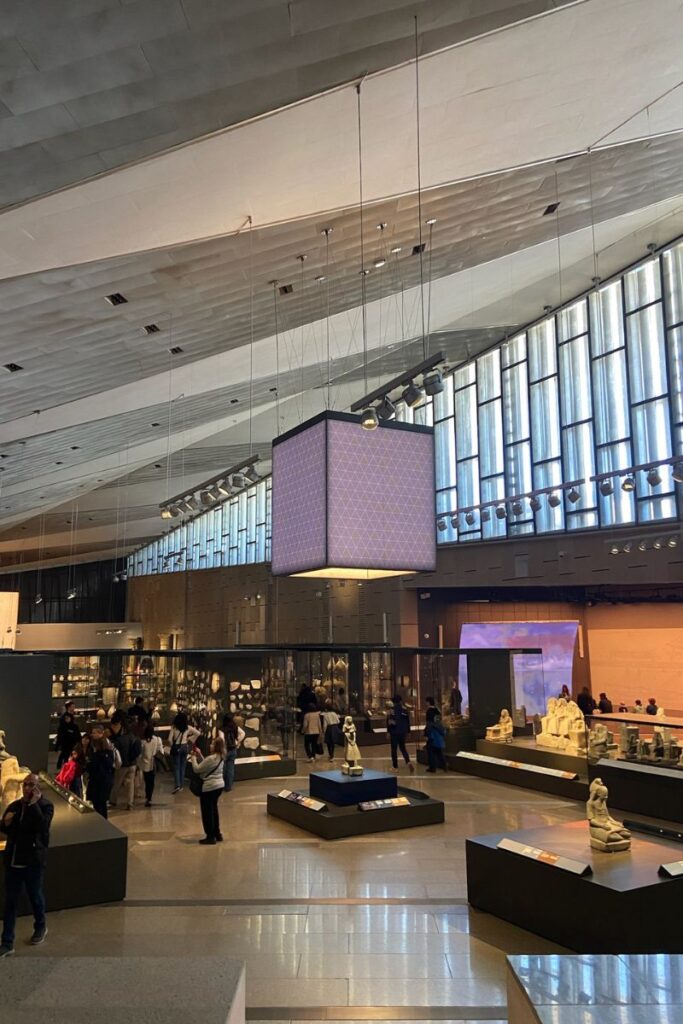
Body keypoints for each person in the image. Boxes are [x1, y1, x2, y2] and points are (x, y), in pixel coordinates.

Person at [0, 773, 54, 956]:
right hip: (14, 861)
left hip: (32, 862)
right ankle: (7, 942)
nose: (28, 788)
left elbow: (43, 827)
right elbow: (6, 828)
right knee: (10, 902)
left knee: (35, 897)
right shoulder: (15, 806)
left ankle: (40, 926)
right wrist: (5, 823)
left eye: (32, 785)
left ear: (38, 788)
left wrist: (33, 806)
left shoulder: (45, 806)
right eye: (26, 784)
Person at [190, 737, 226, 845]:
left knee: (207, 813)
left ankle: (210, 836)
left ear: (216, 746)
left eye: (212, 744)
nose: (210, 745)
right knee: (214, 810)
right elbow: (205, 765)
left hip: (209, 788)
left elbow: (197, 769)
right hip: (219, 786)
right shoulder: (220, 757)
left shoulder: (211, 758)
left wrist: (193, 758)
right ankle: (217, 833)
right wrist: (199, 755)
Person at [109, 712, 141, 810]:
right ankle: (130, 803)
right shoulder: (132, 736)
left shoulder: (119, 740)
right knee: (130, 784)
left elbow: (117, 754)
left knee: (116, 783)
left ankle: (113, 801)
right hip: (133, 763)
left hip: (123, 764)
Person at [167, 712, 200, 794]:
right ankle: (181, 785)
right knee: (183, 766)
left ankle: (177, 785)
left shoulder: (174, 728)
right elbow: (198, 733)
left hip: (177, 747)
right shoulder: (187, 727)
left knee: (177, 767)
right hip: (185, 747)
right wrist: (189, 739)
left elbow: (169, 739)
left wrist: (172, 746)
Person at [86, 731, 115, 818]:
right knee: (102, 804)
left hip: (97, 782)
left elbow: (91, 767)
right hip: (106, 781)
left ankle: (101, 822)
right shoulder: (109, 753)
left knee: (98, 804)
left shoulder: (96, 755)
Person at [138, 723, 164, 807]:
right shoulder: (157, 739)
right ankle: (149, 796)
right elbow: (161, 751)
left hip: (145, 764)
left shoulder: (143, 742)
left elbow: (140, 754)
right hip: (154, 763)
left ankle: (147, 796)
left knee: (147, 780)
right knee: (151, 781)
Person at [387, 695, 415, 774]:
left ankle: (395, 767)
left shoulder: (392, 710)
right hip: (402, 732)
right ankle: (408, 761)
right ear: (400, 701)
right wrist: (408, 732)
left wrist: (388, 732)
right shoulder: (405, 710)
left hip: (394, 732)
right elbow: (408, 722)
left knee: (394, 749)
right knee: (403, 748)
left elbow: (389, 722)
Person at [219, 713, 245, 792]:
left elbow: (222, 740)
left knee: (222, 769)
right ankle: (228, 786)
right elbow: (243, 733)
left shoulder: (222, 729)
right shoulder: (235, 727)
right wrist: (237, 741)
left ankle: (222, 785)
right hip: (233, 750)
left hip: (225, 750)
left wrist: (222, 750)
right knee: (230, 769)